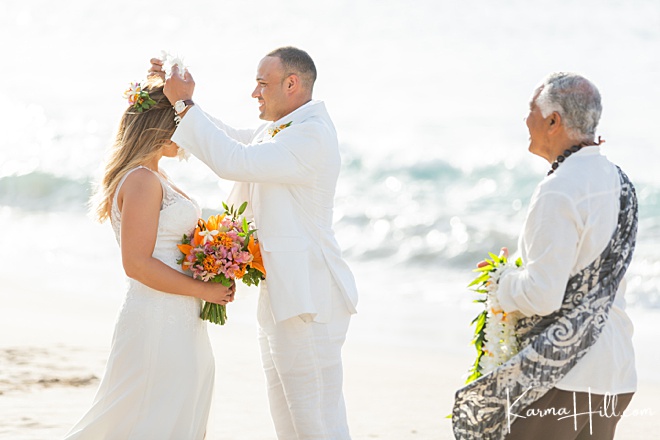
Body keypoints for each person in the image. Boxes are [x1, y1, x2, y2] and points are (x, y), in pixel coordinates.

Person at [149, 46, 359, 439]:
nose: (254, 93)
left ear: (292, 84)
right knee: (290, 420)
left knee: (316, 422)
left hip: (309, 300)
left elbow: (236, 160)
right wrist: (175, 97)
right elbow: (231, 140)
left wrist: (185, 103)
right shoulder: (283, 128)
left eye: (262, 84)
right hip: (285, 296)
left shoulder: (311, 135)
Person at [452, 73, 638, 440]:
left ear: (553, 120)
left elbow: (542, 295)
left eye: (531, 110)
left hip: (564, 374)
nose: (525, 120)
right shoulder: (620, 180)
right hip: (616, 373)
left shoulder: (560, 189)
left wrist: (501, 281)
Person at [63, 76, 234, 439]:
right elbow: (137, 264)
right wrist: (202, 291)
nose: (186, 129)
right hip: (157, 318)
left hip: (179, 316)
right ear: (161, 125)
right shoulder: (141, 179)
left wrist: (216, 261)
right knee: (151, 415)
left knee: (176, 409)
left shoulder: (158, 175)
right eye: (180, 119)